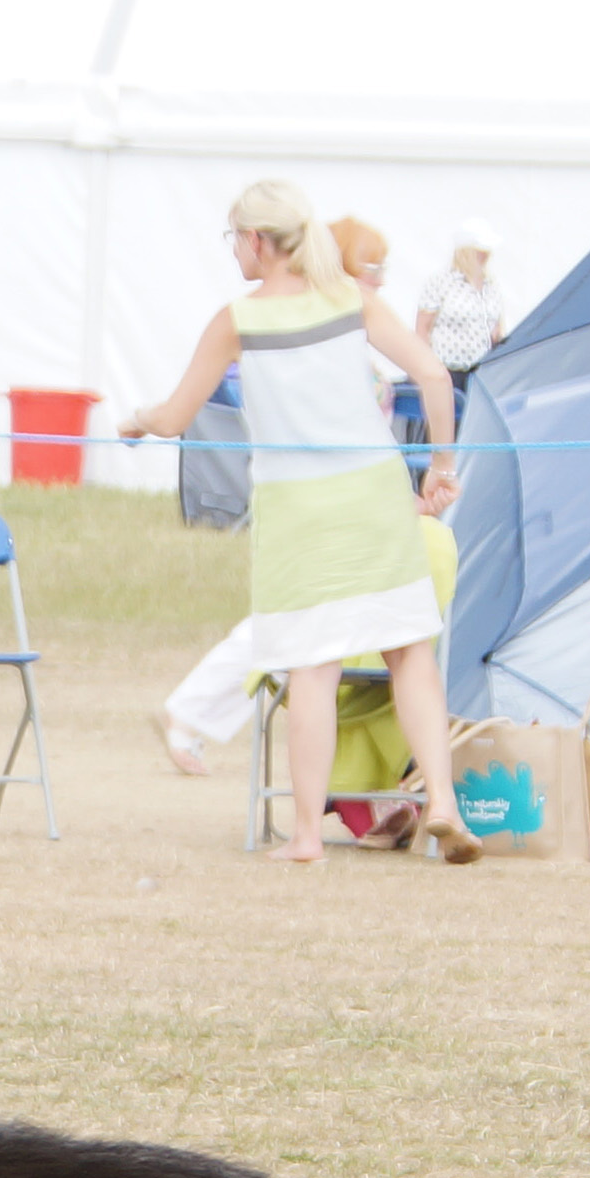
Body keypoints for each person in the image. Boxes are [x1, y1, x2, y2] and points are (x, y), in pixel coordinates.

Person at [121, 178, 478, 865]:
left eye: (235, 241)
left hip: (298, 512)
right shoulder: (354, 298)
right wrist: (438, 465)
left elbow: (172, 418)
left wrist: (134, 422)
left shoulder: (239, 319)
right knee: (410, 653)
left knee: (314, 670)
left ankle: (309, 837)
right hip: (375, 499)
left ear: (257, 242)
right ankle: (441, 802)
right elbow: (434, 377)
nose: (234, 254)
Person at [158, 214, 409, 780]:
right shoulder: (312, 333)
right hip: (325, 505)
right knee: (291, 625)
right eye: (373, 267)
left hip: (347, 503)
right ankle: (193, 710)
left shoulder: (345, 332)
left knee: (306, 626)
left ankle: (194, 711)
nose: (382, 281)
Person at [417, 218, 508, 413]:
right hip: (448, 371)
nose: (485, 255)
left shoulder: (491, 284)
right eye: (479, 250)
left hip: (482, 371)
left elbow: (497, 325)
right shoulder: (440, 282)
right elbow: (422, 329)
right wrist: (428, 369)